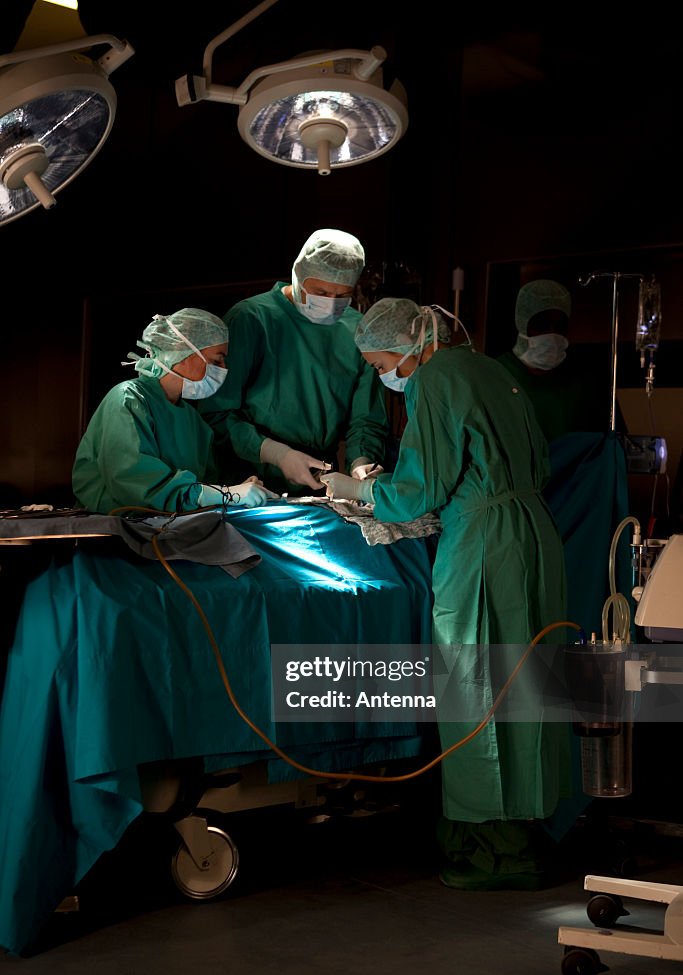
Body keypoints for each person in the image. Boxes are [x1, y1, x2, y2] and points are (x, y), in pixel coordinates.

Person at [321, 298, 571, 890]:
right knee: (527, 680)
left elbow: (418, 489)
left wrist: (353, 487)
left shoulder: (435, 377)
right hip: (534, 535)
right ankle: (528, 832)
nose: (391, 377)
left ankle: (489, 847)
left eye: (389, 365)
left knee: (476, 681)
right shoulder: (490, 369)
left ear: (412, 345)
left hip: (485, 546)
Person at [197, 228, 388, 496]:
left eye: (342, 295)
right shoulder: (252, 319)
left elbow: (366, 418)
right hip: (248, 480)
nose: (331, 304)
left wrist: (361, 463)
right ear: (298, 276)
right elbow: (215, 412)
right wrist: (276, 453)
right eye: (320, 291)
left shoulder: (358, 331)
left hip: (319, 481)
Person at [72, 308, 277, 514]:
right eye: (217, 360)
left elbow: (203, 484)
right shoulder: (129, 399)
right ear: (184, 353)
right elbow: (135, 483)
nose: (224, 368)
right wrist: (223, 494)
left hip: (167, 530)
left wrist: (233, 489)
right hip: (113, 531)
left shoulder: (191, 419)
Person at [495, 278, 606, 441]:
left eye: (559, 326)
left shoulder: (578, 383)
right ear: (522, 323)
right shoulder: (495, 376)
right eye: (541, 325)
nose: (552, 334)